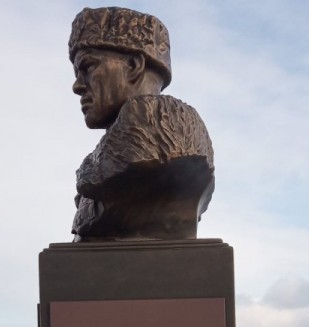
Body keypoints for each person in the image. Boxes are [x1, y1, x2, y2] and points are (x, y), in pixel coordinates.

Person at [69, 7, 214, 241]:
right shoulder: (108, 151)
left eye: (88, 67)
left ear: (134, 66)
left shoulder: (164, 126)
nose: (77, 86)